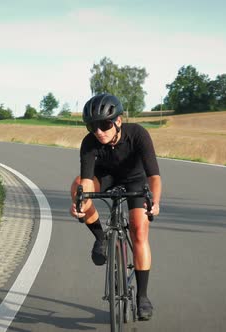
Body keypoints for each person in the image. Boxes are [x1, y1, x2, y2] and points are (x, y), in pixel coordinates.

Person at [69, 93, 162, 321]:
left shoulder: (138, 134)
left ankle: (142, 297)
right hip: (106, 177)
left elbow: (154, 176)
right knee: (77, 186)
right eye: (93, 126)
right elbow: (88, 181)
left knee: (139, 230)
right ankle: (100, 238)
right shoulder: (89, 142)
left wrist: (155, 202)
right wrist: (80, 204)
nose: (99, 131)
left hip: (135, 180)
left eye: (105, 124)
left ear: (118, 121)